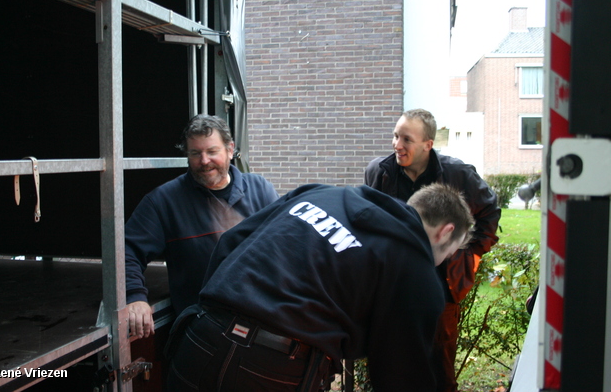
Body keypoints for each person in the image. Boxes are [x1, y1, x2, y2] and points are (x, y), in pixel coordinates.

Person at [165, 182, 474, 391]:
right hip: (274, 371)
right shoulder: (416, 269)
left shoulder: (322, 194)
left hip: (199, 339)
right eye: (450, 252)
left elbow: (231, 242)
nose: (443, 261)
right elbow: (400, 375)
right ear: (445, 232)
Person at [364, 108, 501, 392]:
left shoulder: (458, 174)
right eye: (395, 136)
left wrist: (470, 255)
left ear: (428, 144)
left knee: (438, 369)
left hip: (441, 287)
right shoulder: (379, 173)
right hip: (392, 287)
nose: (397, 145)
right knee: (388, 366)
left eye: (407, 139)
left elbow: (489, 212)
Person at [125, 114, 279, 338]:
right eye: (195, 153)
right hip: (204, 334)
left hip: (263, 326)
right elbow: (126, 252)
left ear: (230, 149)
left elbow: (285, 247)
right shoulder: (163, 201)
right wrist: (134, 296)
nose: (204, 161)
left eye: (212, 151)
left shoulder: (261, 190)